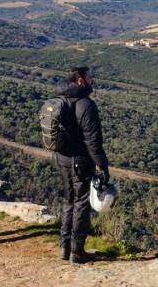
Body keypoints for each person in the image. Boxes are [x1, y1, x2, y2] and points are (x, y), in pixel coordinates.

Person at [54, 66, 110, 263]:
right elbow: (93, 142)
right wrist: (103, 166)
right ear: (80, 81)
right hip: (81, 162)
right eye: (89, 77)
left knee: (68, 201)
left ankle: (64, 247)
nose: (92, 80)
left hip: (63, 160)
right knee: (81, 204)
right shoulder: (86, 105)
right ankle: (77, 251)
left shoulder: (60, 99)